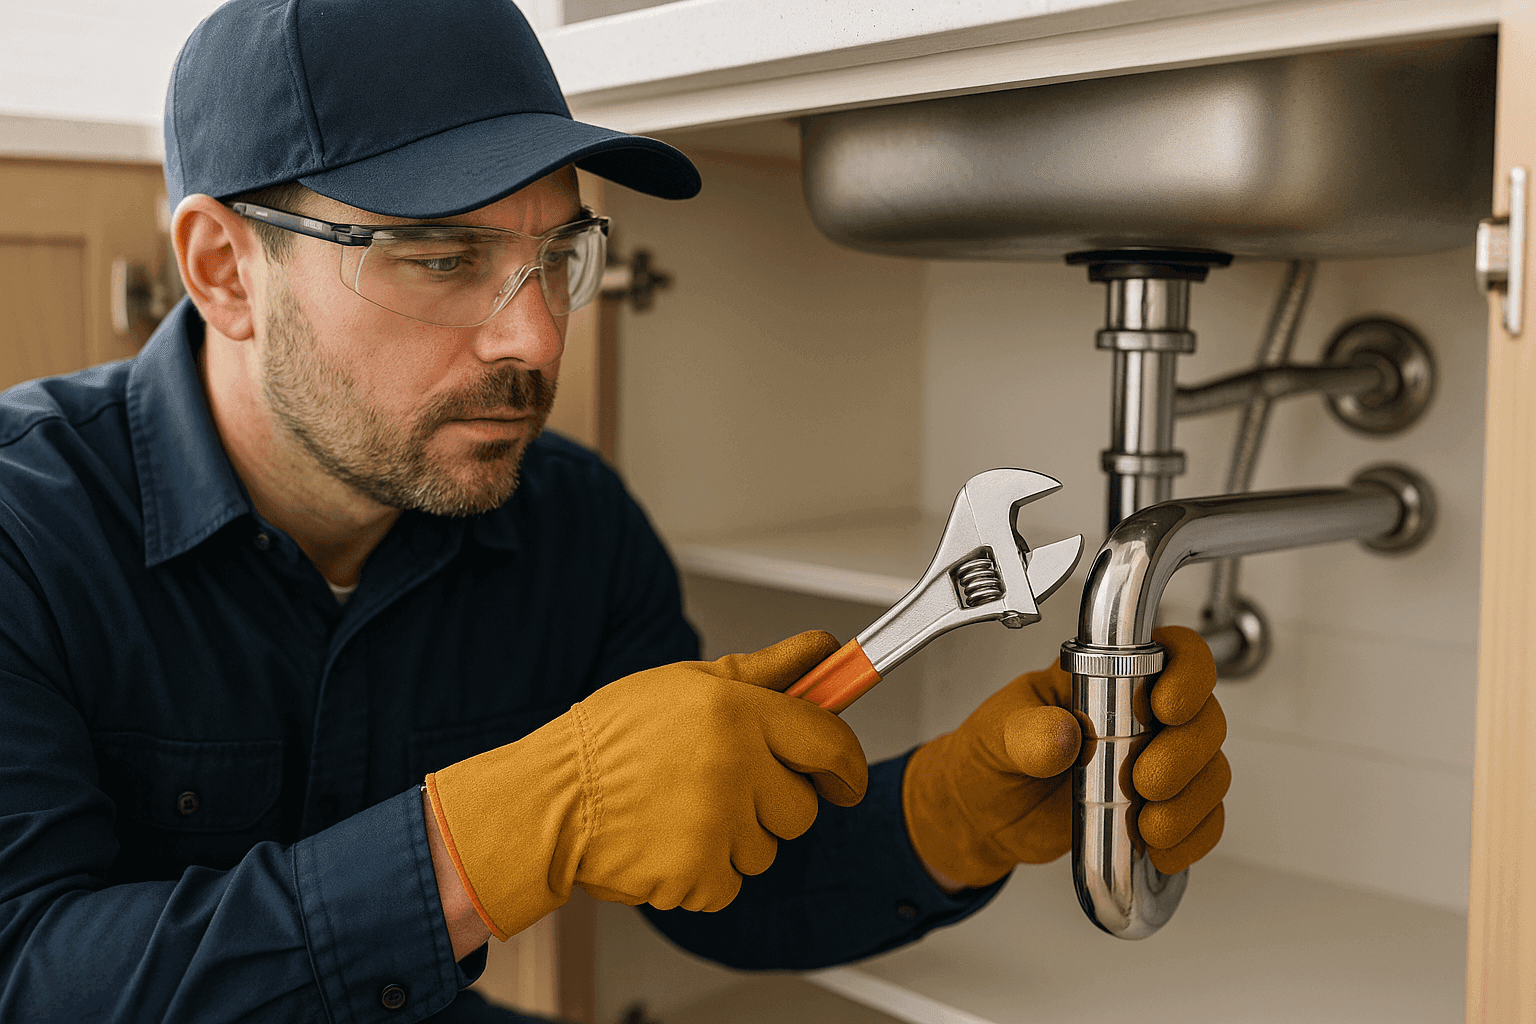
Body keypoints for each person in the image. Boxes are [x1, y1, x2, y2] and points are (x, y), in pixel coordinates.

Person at [0, 1, 1230, 1021]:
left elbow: (720, 877)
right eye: (442, 257)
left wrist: (947, 813)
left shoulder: (568, 524)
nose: (535, 336)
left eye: (558, 256)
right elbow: (29, 971)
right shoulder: (24, 527)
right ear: (225, 268)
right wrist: (520, 824)